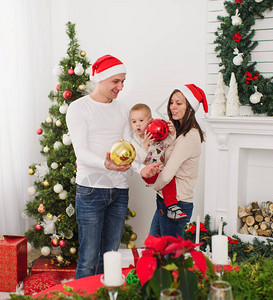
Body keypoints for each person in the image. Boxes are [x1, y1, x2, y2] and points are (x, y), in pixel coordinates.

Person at [66, 54, 160, 279]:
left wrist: (141, 169)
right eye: (116, 81)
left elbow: (129, 150)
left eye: (123, 81)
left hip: (119, 192)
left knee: (110, 257)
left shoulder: (122, 109)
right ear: (101, 78)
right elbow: (82, 153)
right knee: (88, 257)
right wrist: (106, 164)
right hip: (91, 190)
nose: (121, 86)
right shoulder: (79, 108)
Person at [148, 84, 207, 238]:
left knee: (171, 258)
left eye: (179, 103)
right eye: (172, 102)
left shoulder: (189, 137)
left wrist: (153, 184)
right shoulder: (180, 133)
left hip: (177, 204)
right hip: (165, 201)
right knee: (154, 251)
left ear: (190, 108)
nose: (173, 107)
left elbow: (167, 174)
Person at [129, 104, 187, 220]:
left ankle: (169, 207)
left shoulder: (157, 134)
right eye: (134, 122)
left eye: (141, 120)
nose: (138, 124)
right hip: (148, 172)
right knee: (166, 180)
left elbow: (169, 144)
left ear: (151, 121)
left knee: (169, 177)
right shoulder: (135, 140)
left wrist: (171, 133)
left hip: (161, 168)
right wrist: (144, 144)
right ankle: (172, 206)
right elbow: (137, 160)